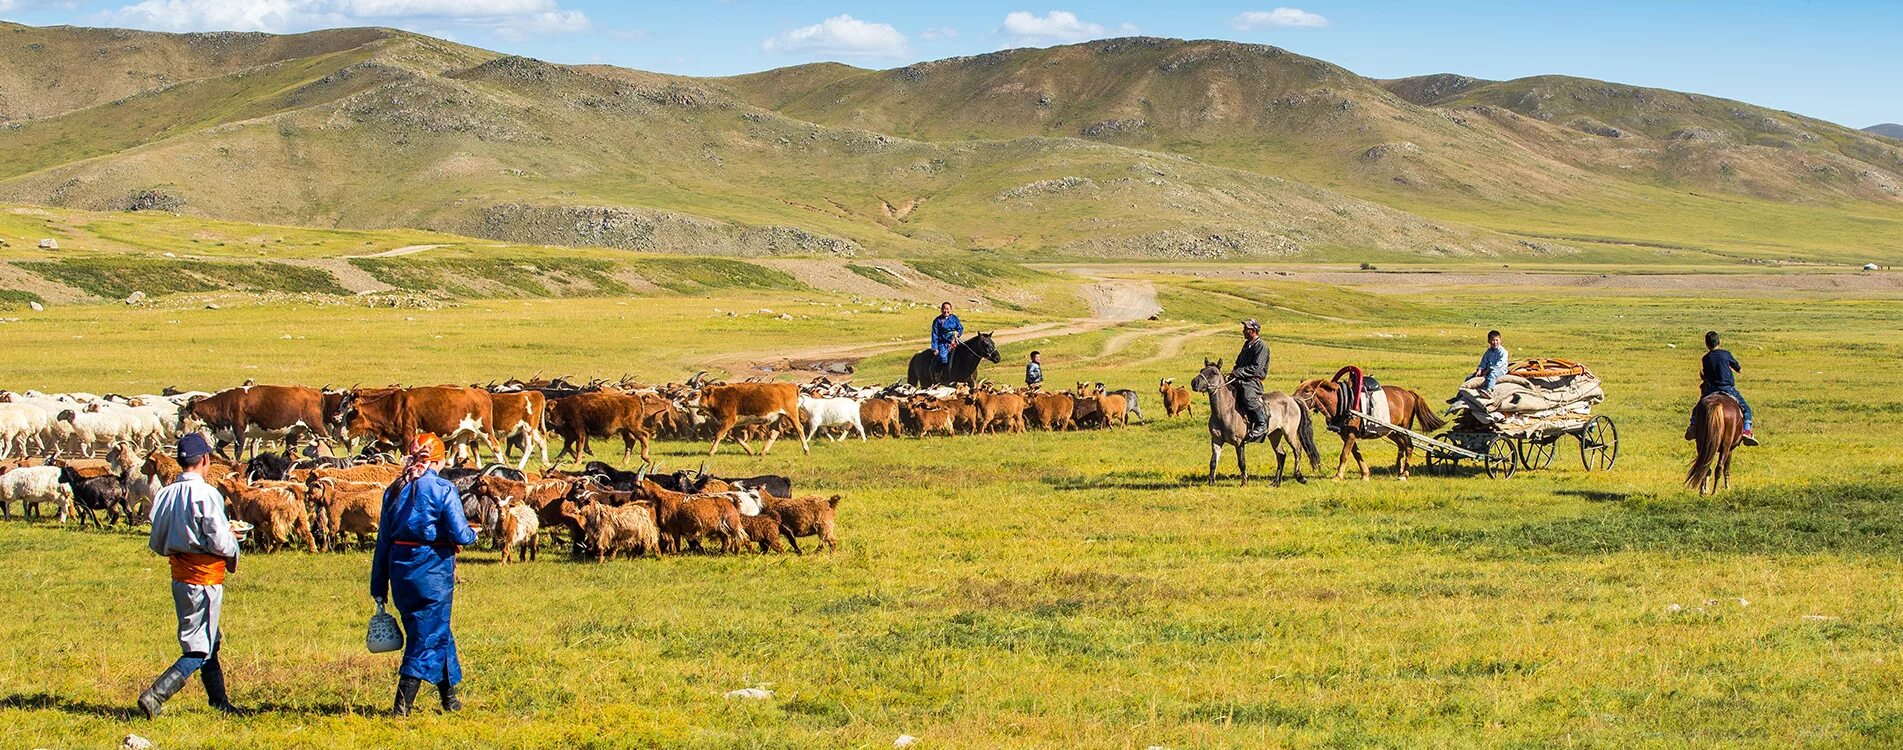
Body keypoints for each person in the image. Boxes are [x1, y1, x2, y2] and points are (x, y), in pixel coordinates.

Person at [370, 433, 478, 716]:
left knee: (431, 629)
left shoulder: (392, 490)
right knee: (425, 636)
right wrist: (473, 535)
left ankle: (450, 699)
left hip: (400, 571)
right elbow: (459, 533)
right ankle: (401, 708)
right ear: (440, 460)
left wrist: (379, 585)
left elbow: (382, 541)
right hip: (431, 571)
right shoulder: (443, 488)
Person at [138, 432, 245, 718]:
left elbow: (156, 539)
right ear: (206, 460)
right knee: (199, 647)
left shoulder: (165, 493)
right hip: (205, 579)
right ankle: (155, 695)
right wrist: (232, 538)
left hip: (180, 576)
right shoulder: (207, 494)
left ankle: (219, 702)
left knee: (210, 637)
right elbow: (219, 541)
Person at [1695, 330, 1758, 446]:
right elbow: (1737, 367)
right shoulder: (1726, 354)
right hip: (1728, 388)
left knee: (1698, 408)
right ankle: (1747, 432)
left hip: (1711, 389)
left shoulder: (1705, 358)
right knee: (1746, 409)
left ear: (1706, 344)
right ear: (1719, 342)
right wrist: (1739, 370)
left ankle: (1693, 426)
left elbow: (1707, 375)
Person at [1231, 319, 1270, 443]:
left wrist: (1238, 372)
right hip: (1240, 378)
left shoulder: (1261, 346)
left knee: (1248, 397)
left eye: (1246, 329)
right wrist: (1234, 372)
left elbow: (1257, 368)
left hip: (1253, 381)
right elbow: (1238, 362)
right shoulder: (1247, 345)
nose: (1243, 331)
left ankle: (1261, 423)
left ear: (1252, 331)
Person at [930, 302, 963, 379]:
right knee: (943, 357)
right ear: (941, 310)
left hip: (955, 341)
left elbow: (960, 328)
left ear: (951, 310)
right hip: (943, 343)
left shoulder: (954, 318)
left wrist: (957, 333)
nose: (945, 311)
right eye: (944, 309)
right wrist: (935, 348)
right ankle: (939, 375)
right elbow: (935, 335)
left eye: (947, 309)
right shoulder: (937, 321)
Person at [1472, 330, 1509, 395]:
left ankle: (1489, 390)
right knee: (1470, 377)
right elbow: (1484, 361)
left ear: (1500, 340)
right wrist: (1480, 369)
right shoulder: (1488, 352)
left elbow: (1500, 364)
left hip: (1500, 369)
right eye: (1493, 340)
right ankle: (1459, 395)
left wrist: (1488, 370)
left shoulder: (1503, 352)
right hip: (1487, 369)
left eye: (1496, 340)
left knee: (1492, 375)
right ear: (1488, 341)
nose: (1495, 342)